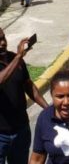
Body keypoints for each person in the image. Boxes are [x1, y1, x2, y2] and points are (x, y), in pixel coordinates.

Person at [0, 28, 48, 164]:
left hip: (21, 130)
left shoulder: (14, 59)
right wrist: (18, 57)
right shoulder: (17, 59)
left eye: (3, 38)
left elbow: (28, 86)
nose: (3, 43)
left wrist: (47, 108)